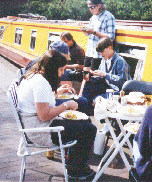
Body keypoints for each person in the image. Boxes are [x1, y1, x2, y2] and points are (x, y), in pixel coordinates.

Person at [17, 50, 97, 180]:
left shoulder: (35, 75)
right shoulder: (41, 83)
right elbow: (44, 116)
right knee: (89, 129)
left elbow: (40, 102)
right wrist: (66, 105)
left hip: (35, 124)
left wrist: (58, 92)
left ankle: (73, 162)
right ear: (52, 69)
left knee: (84, 121)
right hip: (40, 131)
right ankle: (75, 170)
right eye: (60, 70)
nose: (62, 73)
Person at [81, 37, 131, 114]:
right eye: (99, 52)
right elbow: (101, 76)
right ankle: (83, 108)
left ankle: (87, 110)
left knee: (93, 94)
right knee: (88, 83)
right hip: (107, 87)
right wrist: (90, 75)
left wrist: (105, 75)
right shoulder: (104, 60)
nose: (101, 54)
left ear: (110, 48)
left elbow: (123, 82)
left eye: (102, 51)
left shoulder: (120, 61)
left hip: (117, 91)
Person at [78, 0, 116, 94]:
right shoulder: (93, 17)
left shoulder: (109, 17)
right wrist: (83, 29)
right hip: (90, 50)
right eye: (89, 7)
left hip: (99, 53)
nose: (90, 9)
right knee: (85, 75)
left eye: (92, 7)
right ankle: (81, 98)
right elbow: (89, 34)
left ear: (99, 5)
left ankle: (90, 102)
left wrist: (94, 32)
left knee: (93, 79)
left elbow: (110, 37)